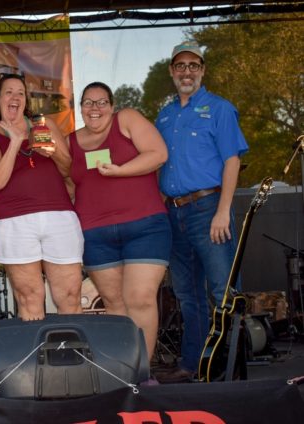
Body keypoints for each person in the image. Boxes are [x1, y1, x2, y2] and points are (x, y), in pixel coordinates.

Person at [155, 41, 249, 383]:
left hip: (209, 208)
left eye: (193, 65)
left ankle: (231, 369)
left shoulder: (220, 108)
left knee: (223, 292)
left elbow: (232, 160)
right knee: (187, 296)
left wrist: (223, 211)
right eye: (180, 66)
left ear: (203, 70)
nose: (187, 72)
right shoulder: (164, 115)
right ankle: (193, 365)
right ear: (171, 71)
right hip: (174, 213)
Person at [67, 81, 170, 364]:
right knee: (115, 306)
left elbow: (159, 154)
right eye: (88, 102)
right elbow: (68, 183)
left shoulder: (127, 119)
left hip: (145, 226)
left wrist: (121, 171)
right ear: (81, 109)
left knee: (140, 299)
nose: (95, 108)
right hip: (96, 235)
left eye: (102, 102)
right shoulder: (70, 142)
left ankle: (143, 372)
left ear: (112, 107)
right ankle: (125, 371)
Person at [0, 73, 83, 322]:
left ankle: (71, 356)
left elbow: (68, 167)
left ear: (26, 100)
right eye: (8, 92)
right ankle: (38, 358)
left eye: (20, 93)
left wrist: (51, 151)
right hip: (14, 221)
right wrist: (15, 142)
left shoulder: (43, 123)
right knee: (29, 295)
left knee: (70, 294)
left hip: (58, 215)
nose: (15, 97)